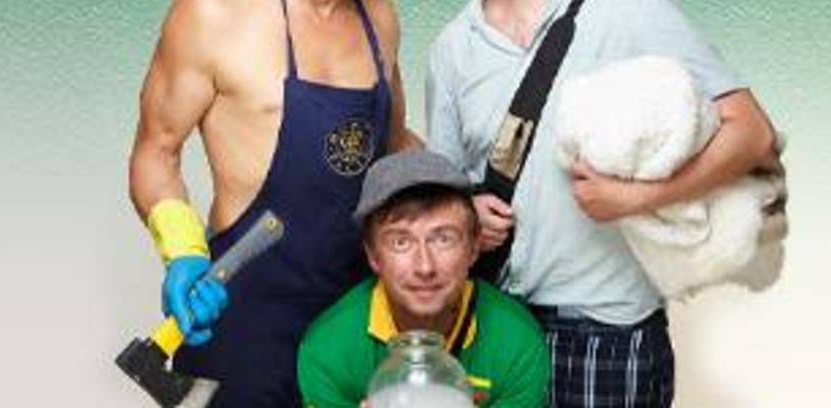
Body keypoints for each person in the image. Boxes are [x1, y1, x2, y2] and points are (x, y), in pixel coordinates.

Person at [425, 0, 780, 406]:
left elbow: (752, 133)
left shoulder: (629, 11)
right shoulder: (452, 48)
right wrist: (468, 214)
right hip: (494, 324)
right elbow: (442, 194)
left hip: (605, 327)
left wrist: (636, 198)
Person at [128, 0, 419, 404]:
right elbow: (156, 152)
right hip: (247, 325)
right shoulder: (212, 15)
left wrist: (459, 199)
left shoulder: (379, 15)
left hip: (355, 327)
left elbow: (395, 145)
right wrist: (182, 251)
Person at [296, 150, 550, 407]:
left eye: (443, 239)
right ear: (373, 255)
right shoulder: (328, 349)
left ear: (474, 248)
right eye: (401, 242)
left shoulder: (517, 343)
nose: (425, 267)